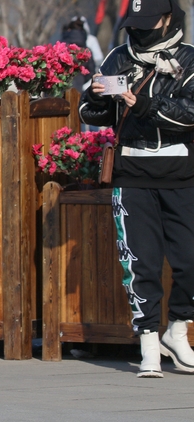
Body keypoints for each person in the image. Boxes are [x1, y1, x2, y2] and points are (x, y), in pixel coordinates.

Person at [78, 0, 194, 378]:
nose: (140, 30)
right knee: (139, 261)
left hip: (182, 175)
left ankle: (177, 332)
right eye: (136, 22)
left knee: (190, 260)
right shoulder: (117, 57)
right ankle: (148, 343)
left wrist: (142, 103)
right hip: (131, 175)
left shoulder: (190, 60)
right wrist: (96, 97)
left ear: (168, 19)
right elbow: (88, 112)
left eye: (149, 22)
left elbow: (189, 114)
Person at [61, 19, 96, 92]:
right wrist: (82, 79)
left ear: (69, 30)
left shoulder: (61, 47)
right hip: (78, 87)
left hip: (60, 85)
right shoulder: (86, 50)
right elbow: (91, 72)